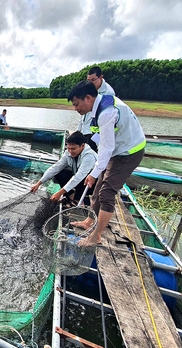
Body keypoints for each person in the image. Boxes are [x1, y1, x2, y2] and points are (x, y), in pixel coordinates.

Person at [67, 81, 146, 246]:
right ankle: (89, 222)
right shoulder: (98, 108)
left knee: (107, 193)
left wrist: (94, 173)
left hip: (129, 153)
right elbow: (102, 142)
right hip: (118, 150)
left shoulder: (106, 113)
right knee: (97, 188)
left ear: (88, 98)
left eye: (77, 104)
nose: (75, 108)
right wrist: (96, 174)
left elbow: (107, 147)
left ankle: (96, 236)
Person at [30, 131, 97, 205]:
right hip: (80, 179)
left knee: (81, 178)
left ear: (82, 146)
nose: (70, 151)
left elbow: (79, 176)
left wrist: (59, 193)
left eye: (73, 149)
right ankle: (71, 197)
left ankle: (80, 201)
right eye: (68, 148)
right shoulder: (68, 153)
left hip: (93, 184)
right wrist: (38, 183)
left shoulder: (89, 156)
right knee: (60, 173)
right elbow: (55, 167)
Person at [78, 66, 116, 151]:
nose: (90, 83)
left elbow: (107, 118)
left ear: (101, 77)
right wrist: (79, 130)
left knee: (92, 156)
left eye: (93, 80)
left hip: (95, 133)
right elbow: (84, 114)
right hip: (85, 130)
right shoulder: (89, 89)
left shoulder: (108, 93)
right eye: (88, 80)